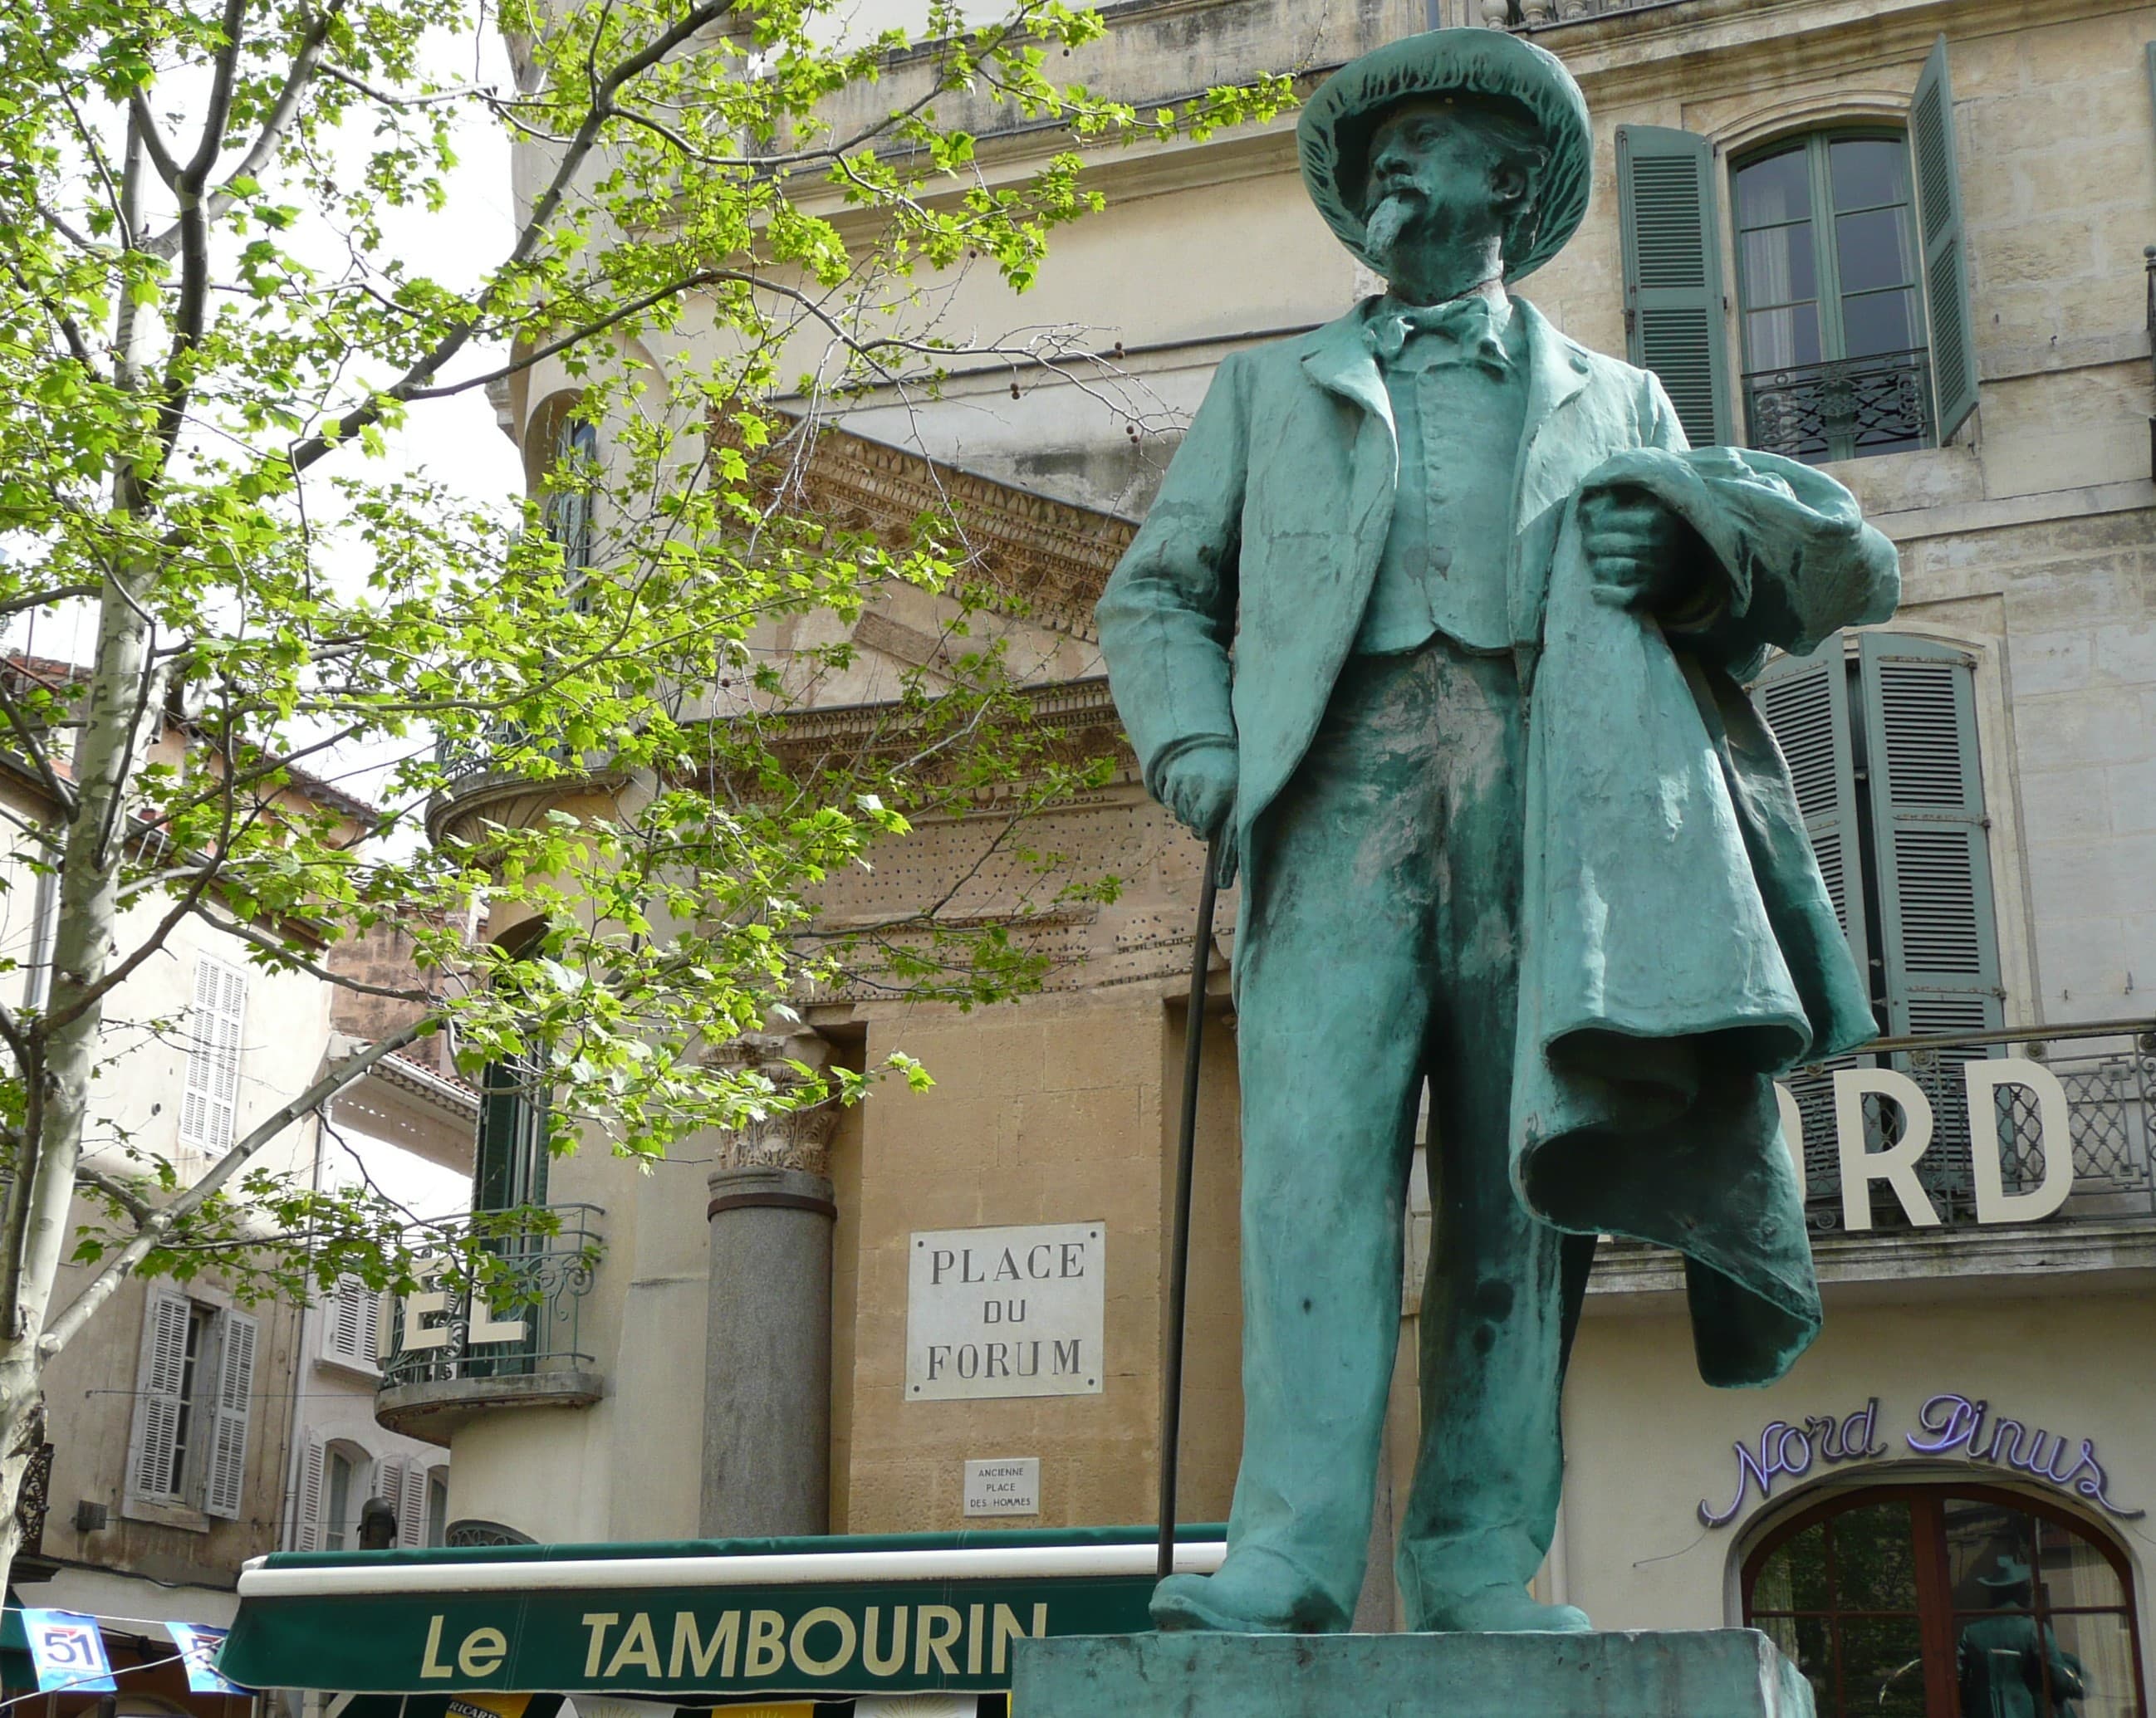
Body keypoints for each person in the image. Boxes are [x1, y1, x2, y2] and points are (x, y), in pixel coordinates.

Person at [1096, 27, 1898, 1636]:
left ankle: (1473, 1561)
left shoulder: (1618, 394)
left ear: (1510, 183)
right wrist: (1193, 743)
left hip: (1552, 815)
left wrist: (1671, 572)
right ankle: (1290, 1557)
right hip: (1333, 802)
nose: (1393, 166)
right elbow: (1158, 592)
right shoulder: (1267, 388)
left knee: (1517, 1189)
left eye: (1435, 140)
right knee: (1307, 1182)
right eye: (1373, 151)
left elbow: (1718, 611)